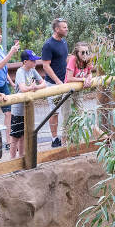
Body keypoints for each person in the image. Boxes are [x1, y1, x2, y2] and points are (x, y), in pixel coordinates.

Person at [11, 50, 46, 159]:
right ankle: (12, 160)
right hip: (18, 110)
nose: (35, 63)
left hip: (27, 109)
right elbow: (22, 88)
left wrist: (35, 87)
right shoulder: (20, 72)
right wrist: (31, 87)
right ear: (25, 61)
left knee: (23, 136)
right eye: (32, 61)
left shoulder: (33, 70)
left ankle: (21, 157)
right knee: (15, 137)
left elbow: (43, 83)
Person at [41, 17, 69, 148]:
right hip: (53, 83)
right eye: (64, 27)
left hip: (65, 82)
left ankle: (67, 135)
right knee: (54, 111)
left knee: (67, 110)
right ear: (57, 29)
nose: (66, 29)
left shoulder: (64, 42)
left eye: (66, 27)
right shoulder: (48, 45)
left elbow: (65, 61)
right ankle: (54, 138)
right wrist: (58, 82)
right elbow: (46, 66)